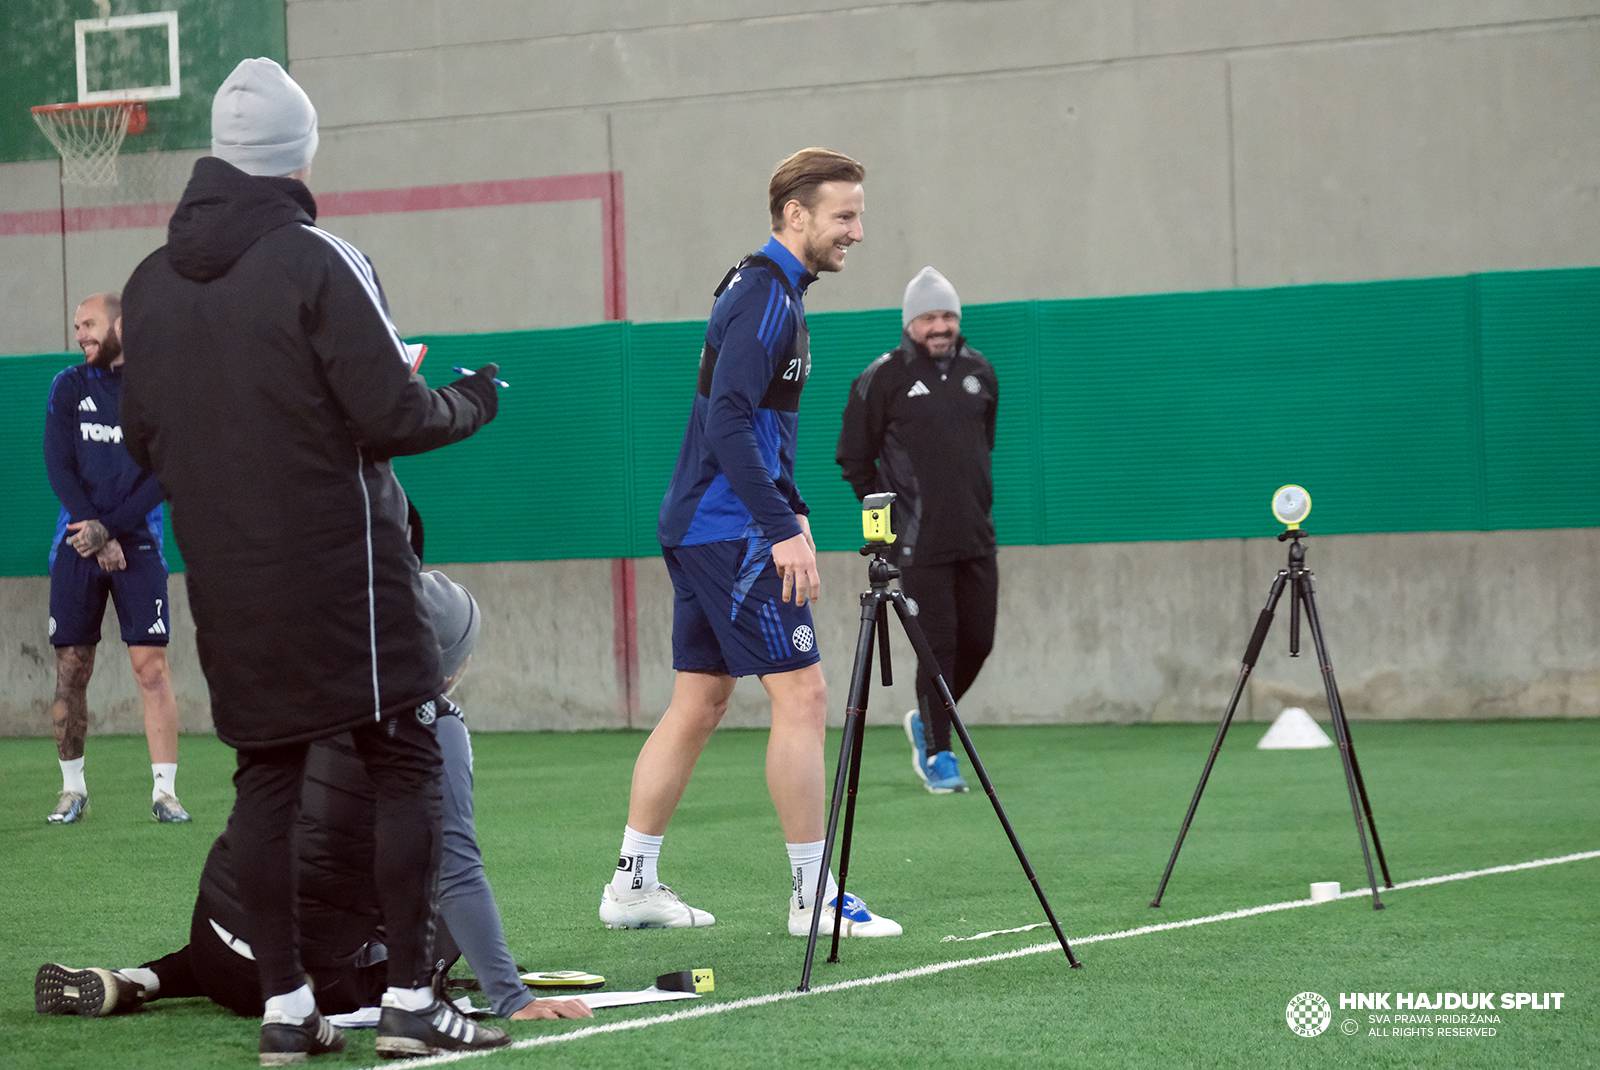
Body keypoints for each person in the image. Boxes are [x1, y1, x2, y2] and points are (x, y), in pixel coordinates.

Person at [118, 58, 505, 1062]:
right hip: (343, 573)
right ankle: (415, 1001)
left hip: (226, 577)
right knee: (404, 752)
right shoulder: (320, 258)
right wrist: (473, 396)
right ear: (298, 154)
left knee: (266, 774)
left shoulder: (147, 286)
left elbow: (145, 441)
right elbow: (392, 411)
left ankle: (288, 1008)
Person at [34, 571, 591, 1029]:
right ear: (450, 667)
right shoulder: (434, 726)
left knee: (257, 914)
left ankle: (141, 978)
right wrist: (511, 996)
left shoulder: (301, 687)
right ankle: (400, 992)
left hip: (214, 935)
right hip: (301, 983)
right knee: (429, 898)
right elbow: (458, 873)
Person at [599, 148, 900, 940]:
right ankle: (813, 897)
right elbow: (728, 419)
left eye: (859, 214)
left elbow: (757, 428)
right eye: (844, 215)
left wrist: (793, 507)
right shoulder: (766, 295)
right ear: (795, 215)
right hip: (727, 530)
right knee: (801, 695)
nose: (857, 231)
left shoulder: (769, 292)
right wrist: (777, 529)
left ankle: (632, 883)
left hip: (709, 522)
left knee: (698, 702)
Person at [836, 267, 999, 794]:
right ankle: (938, 752)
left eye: (948, 315)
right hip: (918, 542)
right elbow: (853, 459)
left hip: (976, 538)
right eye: (929, 316)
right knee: (940, 648)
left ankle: (928, 721)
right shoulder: (882, 378)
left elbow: (982, 451)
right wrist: (886, 524)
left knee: (979, 642)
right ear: (910, 323)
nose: (940, 325)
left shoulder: (982, 372)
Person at [42, 292, 188, 825]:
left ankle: (165, 794)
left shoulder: (155, 389)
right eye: (76, 325)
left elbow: (164, 473)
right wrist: (96, 531)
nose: (80, 333)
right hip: (78, 544)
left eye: (89, 324)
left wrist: (115, 527)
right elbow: (58, 466)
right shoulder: (68, 386)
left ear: (121, 325)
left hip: (139, 545)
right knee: (71, 668)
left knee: (150, 667)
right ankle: (72, 790)